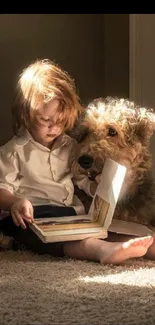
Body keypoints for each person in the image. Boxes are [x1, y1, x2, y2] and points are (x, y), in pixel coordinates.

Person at [0, 58, 153, 264]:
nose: (54, 128)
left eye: (61, 121)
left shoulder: (69, 146)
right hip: (32, 215)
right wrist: (16, 202)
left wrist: (96, 185)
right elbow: (1, 188)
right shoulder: (13, 152)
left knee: (97, 229)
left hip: (70, 213)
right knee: (73, 241)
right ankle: (102, 252)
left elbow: (81, 180)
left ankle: (145, 246)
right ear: (26, 115)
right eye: (46, 120)